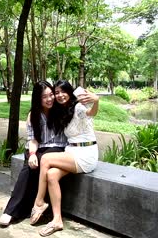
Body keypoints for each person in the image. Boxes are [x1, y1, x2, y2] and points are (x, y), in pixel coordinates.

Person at [29, 80, 100, 236]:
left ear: (69, 92)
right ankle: (57, 220)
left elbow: (91, 113)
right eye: (57, 92)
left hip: (86, 153)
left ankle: (39, 202)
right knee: (51, 174)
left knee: (46, 159)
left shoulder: (78, 107)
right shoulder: (63, 111)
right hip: (71, 152)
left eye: (63, 92)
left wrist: (96, 101)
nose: (59, 95)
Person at [0, 81, 68, 226]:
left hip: (58, 149)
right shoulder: (34, 115)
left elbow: (74, 100)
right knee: (29, 166)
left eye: (51, 95)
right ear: (38, 99)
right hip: (40, 148)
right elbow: (33, 140)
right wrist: (32, 154)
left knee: (39, 161)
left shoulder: (61, 110)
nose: (49, 99)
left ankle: (13, 211)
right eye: (44, 97)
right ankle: (14, 210)